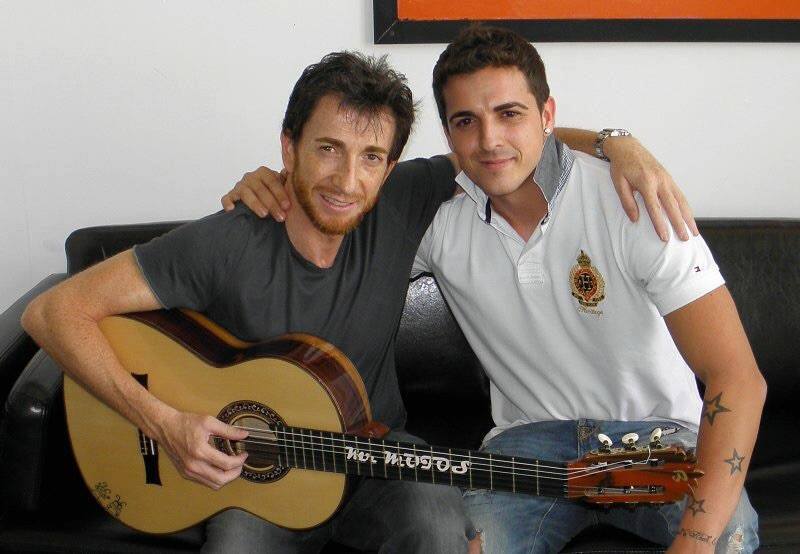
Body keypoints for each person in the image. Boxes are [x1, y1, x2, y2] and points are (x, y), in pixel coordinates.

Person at [227, 27, 765, 553]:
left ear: (547, 116)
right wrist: (275, 189)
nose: (489, 140)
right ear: (448, 134)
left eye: (510, 114)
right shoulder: (437, 220)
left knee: (726, 537)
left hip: (655, 442)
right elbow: (332, 218)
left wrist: (695, 545)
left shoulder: (633, 200)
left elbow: (739, 380)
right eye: (466, 121)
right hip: (527, 448)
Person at [22, 51, 476, 554]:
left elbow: (500, 151)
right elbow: (51, 312)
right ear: (289, 148)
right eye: (328, 148)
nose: (348, 180)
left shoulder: (404, 199)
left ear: (389, 168)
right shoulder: (227, 242)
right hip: (253, 477)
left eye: (371, 156)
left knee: (438, 522)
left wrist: (555, 131)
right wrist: (163, 423)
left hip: (374, 458)